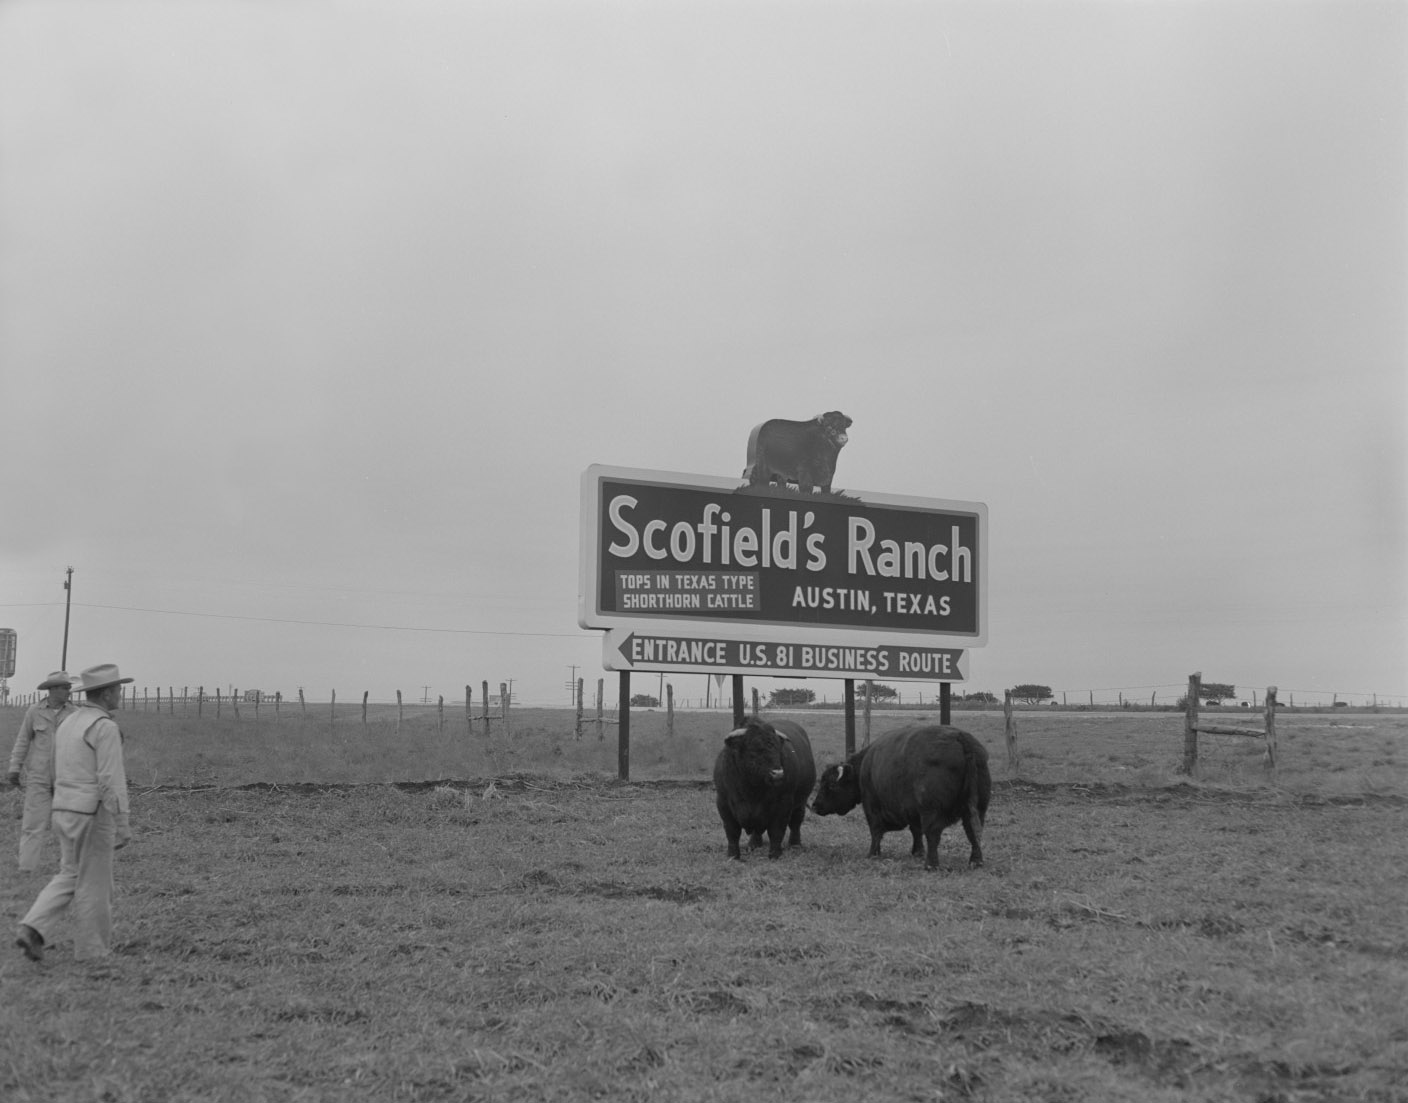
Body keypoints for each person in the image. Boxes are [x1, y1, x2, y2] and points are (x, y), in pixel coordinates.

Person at [16, 663, 134, 963]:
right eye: (118, 689)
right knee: (95, 882)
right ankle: (93, 952)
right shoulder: (104, 727)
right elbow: (111, 780)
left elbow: (55, 767)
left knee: (70, 872)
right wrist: (121, 822)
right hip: (92, 814)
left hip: (63, 809)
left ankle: (32, 927)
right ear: (107, 693)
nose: (120, 694)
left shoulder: (70, 722)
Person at [7, 671, 77, 872]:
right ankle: (27, 868)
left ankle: (70, 868)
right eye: (64, 688)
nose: (68, 691)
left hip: (67, 778)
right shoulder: (34, 711)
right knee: (32, 824)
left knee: (69, 824)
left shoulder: (75, 713)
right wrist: (14, 769)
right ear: (52, 689)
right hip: (39, 777)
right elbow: (23, 741)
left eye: (68, 687)